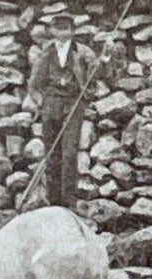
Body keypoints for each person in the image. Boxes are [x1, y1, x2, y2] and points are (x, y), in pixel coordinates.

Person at [25, 11, 115, 210]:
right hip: (51, 104)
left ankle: (69, 201)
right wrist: (41, 102)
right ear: (52, 31)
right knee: (52, 152)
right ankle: (53, 200)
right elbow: (34, 82)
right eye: (59, 28)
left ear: (73, 31)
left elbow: (96, 73)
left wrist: (106, 56)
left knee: (70, 152)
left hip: (73, 104)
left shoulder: (82, 52)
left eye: (67, 28)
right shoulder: (46, 53)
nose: (63, 32)